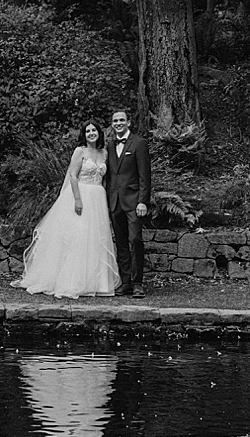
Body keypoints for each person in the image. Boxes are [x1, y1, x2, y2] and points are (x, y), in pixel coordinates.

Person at [13, 120, 121, 299]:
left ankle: (98, 283)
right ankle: (72, 281)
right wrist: (78, 199)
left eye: (94, 130)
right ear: (84, 135)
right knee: (78, 237)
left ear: (99, 133)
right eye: (88, 131)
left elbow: (104, 178)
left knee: (95, 238)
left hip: (98, 198)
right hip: (82, 194)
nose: (91, 133)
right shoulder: (80, 151)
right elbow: (72, 175)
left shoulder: (104, 153)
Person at [105, 106, 154, 297]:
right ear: (112, 124)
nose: (118, 123)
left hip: (134, 201)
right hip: (115, 202)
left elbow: (145, 175)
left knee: (135, 240)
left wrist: (143, 201)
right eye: (115, 121)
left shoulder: (139, 143)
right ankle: (125, 283)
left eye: (121, 120)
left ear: (128, 122)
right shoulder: (109, 145)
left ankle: (137, 283)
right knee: (122, 243)